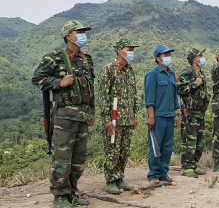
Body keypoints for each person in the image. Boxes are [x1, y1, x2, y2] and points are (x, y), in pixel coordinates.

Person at [32, 20, 95, 208]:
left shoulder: (86, 59)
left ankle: (72, 193)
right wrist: (58, 82)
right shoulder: (55, 58)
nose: (83, 35)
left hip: (82, 116)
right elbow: (37, 78)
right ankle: (60, 196)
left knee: (78, 160)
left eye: (84, 31)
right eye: (80, 32)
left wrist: (92, 111)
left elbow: (90, 88)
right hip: (63, 118)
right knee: (62, 159)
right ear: (69, 36)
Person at [97, 38, 139, 194]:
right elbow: (103, 96)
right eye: (129, 49)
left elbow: (133, 94)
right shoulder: (108, 69)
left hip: (127, 118)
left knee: (124, 151)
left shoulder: (130, 70)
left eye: (132, 50)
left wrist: (134, 115)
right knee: (112, 150)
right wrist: (106, 119)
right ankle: (110, 180)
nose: (132, 52)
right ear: (119, 50)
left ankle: (120, 178)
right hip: (114, 119)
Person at [144, 44, 180, 184]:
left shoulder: (171, 74)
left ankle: (164, 173)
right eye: (165, 55)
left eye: (169, 55)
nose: (168, 57)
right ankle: (153, 174)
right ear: (158, 58)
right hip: (158, 116)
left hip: (170, 116)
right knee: (155, 146)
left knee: (167, 146)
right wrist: (151, 116)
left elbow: (174, 95)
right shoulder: (152, 75)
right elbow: (150, 99)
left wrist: (176, 114)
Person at [177, 48, 210, 178]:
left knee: (199, 142)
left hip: (200, 113)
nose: (202, 57)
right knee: (189, 141)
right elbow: (179, 89)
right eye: (200, 55)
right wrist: (194, 84)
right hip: (190, 113)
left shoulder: (201, 73)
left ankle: (193, 165)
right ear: (194, 59)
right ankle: (186, 167)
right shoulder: (188, 72)